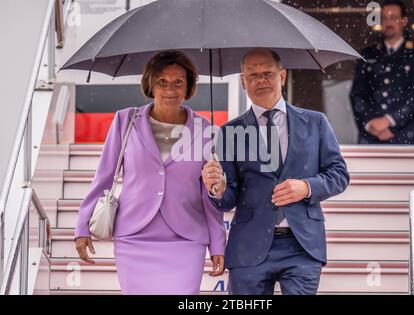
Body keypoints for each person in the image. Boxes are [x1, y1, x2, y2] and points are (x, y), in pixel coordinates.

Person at [74, 50, 226, 295]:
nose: (170, 89)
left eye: (178, 82)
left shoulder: (204, 128)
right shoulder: (125, 120)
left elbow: (207, 195)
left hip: (186, 240)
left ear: (188, 87)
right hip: (134, 237)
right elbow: (103, 177)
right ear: (150, 85)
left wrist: (217, 243)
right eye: (162, 82)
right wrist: (82, 226)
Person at [202, 48, 349, 295]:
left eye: (267, 73)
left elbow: (339, 175)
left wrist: (307, 187)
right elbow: (228, 199)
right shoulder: (229, 132)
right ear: (243, 81)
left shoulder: (315, 122)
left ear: (282, 76)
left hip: (302, 246)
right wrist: (217, 189)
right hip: (249, 247)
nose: (261, 80)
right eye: (253, 75)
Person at [350, 0, 414, 145]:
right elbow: (357, 94)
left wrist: (389, 120)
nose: (388, 23)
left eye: (394, 17)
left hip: (406, 139)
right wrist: (371, 124)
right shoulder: (369, 54)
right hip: (371, 140)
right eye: (384, 18)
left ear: (404, 21)